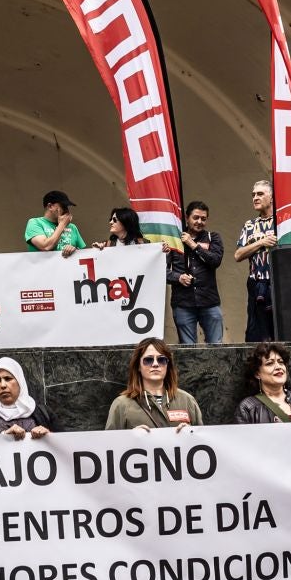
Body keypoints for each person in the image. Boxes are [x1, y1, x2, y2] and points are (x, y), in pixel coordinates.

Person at [104, 339, 204, 431]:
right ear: (138, 366)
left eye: (161, 360)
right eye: (148, 360)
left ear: (167, 365)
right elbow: (109, 446)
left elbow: (204, 441)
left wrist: (192, 434)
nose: (155, 364)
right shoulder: (122, 404)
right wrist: (130, 438)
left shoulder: (187, 400)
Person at [167, 200, 225, 345]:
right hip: (183, 303)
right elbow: (162, 271)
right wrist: (178, 277)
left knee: (216, 345)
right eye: (196, 217)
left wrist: (193, 245)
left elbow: (215, 260)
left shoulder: (213, 238)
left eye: (203, 219)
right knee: (188, 349)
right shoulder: (173, 241)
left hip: (209, 302)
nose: (199, 221)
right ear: (187, 218)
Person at [0, 357, 57, 438]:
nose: (3, 385)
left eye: (8, 379)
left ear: (20, 381)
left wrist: (49, 437)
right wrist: (3, 438)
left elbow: (65, 447)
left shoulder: (44, 413)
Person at [233, 180, 277, 342]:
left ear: (272, 198)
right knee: (256, 333)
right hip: (256, 285)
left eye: (260, 194)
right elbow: (238, 255)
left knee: (279, 330)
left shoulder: (282, 222)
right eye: (253, 195)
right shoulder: (249, 225)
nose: (255, 198)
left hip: (279, 285)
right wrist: (261, 242)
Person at [234, 344, 291, 424]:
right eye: (270, 363)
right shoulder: (248, 407)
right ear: (257, 374)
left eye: (281, 362)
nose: (278, 367)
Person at [24, 190, 84, 254]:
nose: (66, 210)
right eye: (63, 206)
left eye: (67, 207)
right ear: (50, 206)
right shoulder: (35, 223)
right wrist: (62, 224)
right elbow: (45, 246)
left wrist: (94, 251)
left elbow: (83, 255)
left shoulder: (72, 227)